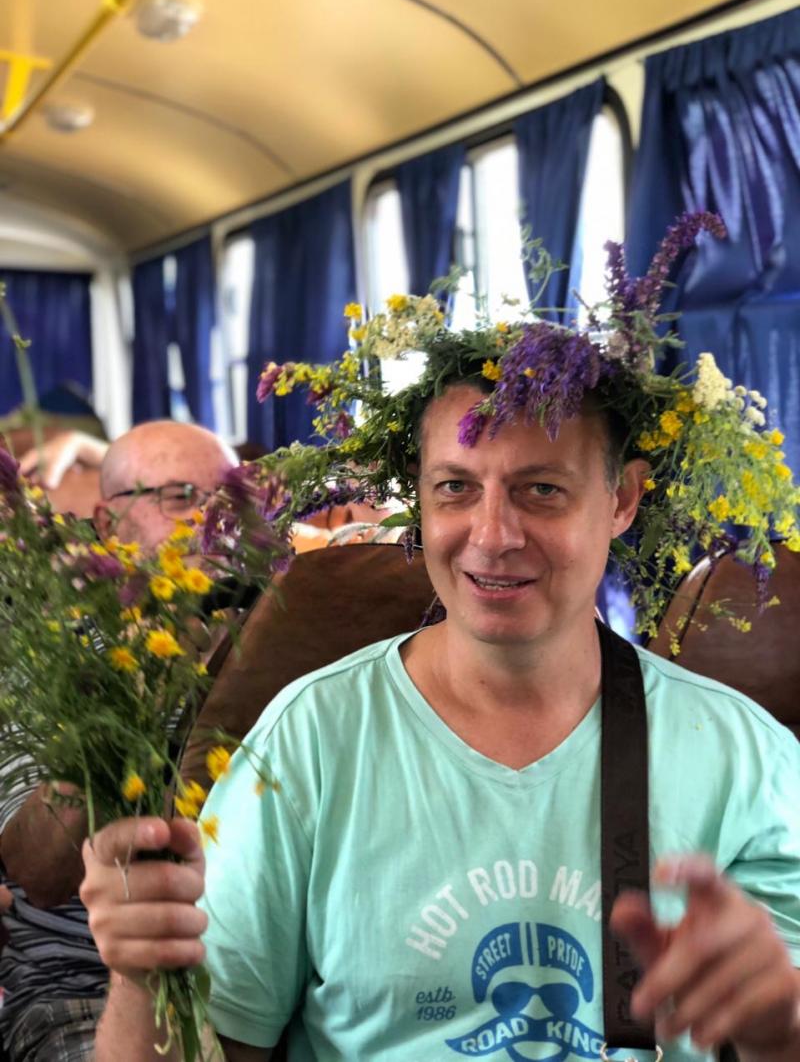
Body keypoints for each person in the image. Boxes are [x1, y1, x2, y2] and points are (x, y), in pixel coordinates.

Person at [81, 221, 800, 1061]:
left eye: (541, 490)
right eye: (456, 487)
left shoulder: (744, 764)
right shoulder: (310, 744)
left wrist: (778, 1032)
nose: (492, 535)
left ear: (622, 500)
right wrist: (139, 975)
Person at [0, 420, 238, 1062]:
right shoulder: (50, 652)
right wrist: (130, 693)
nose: (214, 523)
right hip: (83, 983)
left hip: (257, 975)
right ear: (108, 526)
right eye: (181, 498)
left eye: (231, 502)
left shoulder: (280, 636)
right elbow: (36, 873)